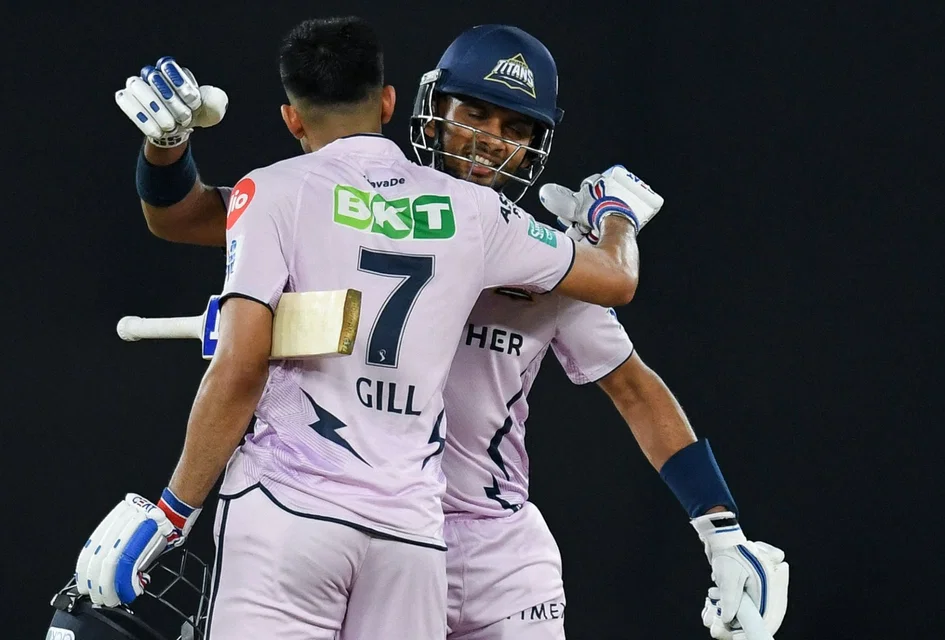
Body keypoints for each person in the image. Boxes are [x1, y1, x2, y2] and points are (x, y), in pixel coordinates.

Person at [119, 22, 788, 640]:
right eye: (474, 113)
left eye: (514, 126)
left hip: (494, 549)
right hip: (379, 526)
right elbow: (189, 216)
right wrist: (615, 217)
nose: (490, 139)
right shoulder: (344, 198)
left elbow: (637, 392)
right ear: (421, 108)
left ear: (536, 144)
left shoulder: (545, 257)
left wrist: (722, 534)